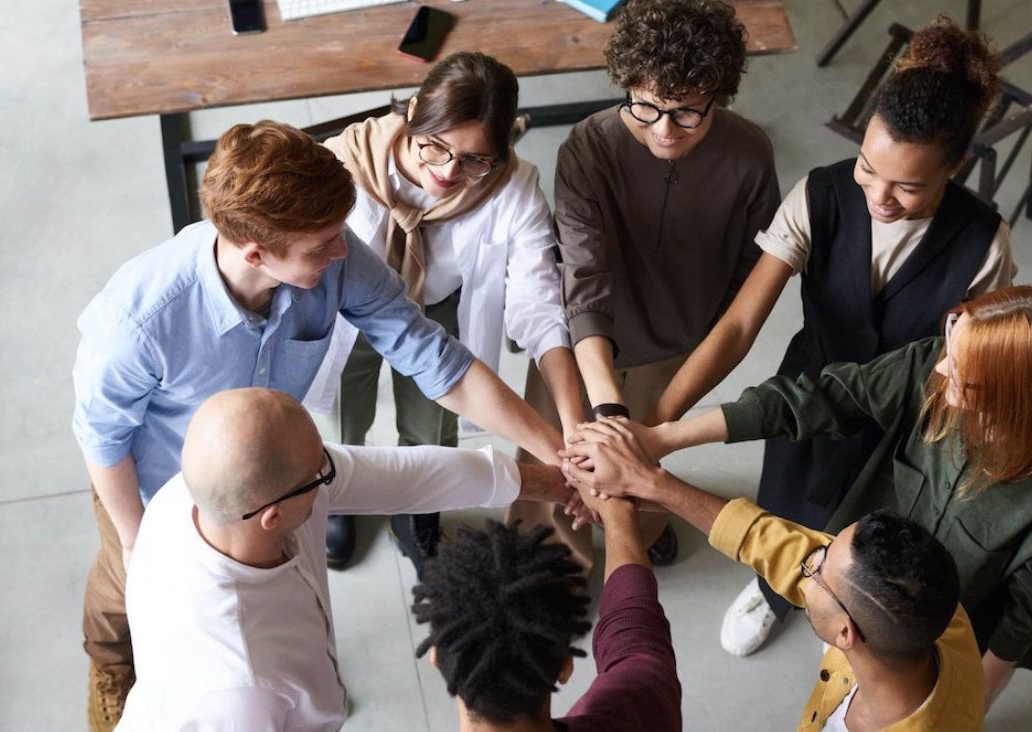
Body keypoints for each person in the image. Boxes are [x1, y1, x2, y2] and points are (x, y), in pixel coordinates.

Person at [71, 120, 564, 729]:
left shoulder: (329, 251)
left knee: (278, 615)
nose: (342, 252)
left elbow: (433, 358)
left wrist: (555, 453)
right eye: (323, 245)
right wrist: (136, 543)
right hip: (151, 485)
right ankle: (111, 670)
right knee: (123, 603)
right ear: (256, 252)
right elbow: (101, 438)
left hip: (277, 471)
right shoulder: (139, 319)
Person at [645, 14, 1017, 656]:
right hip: (807, 391)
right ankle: (773, 588)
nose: (879, 196)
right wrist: (657, 427)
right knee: (788, 499)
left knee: (876, 530)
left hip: (906, 415)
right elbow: (737, 326)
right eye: (869, 169)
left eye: (909, 185)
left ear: (954, 167)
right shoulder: (819, 195)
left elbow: (975, 363)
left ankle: (848, 605)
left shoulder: (984, 242)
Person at [568, 286, 1032, 710]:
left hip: (932, 642)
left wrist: (966, 705)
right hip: (849, 582)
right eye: (951, 344)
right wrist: (662, 439)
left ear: (1016, 397)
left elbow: (1024, 622)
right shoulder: (934, 366)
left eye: (965, 379)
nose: (942, 368)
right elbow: (819, 399)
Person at [507, 0, 781, 574]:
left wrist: (702, 337)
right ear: (626, 83)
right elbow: (583, 280)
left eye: (686, 113)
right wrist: (605, 410)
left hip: (677, 342)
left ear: (719, 96)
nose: (664, 130)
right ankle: (553, 562)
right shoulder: (587, 147)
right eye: (646, 107)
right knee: (563, 454)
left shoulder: (750, 154)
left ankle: (646, 528)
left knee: (647, 461)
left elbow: (747, 272)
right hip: (585, 342)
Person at [116, 388, 576, 730]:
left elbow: (408, 478)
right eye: (321, 470)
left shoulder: (211, 491)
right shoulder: (239, 690)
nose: (333, 471)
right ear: (272, 516)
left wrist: (559, 483)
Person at [306, 51, 585, 572]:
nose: (449, 172)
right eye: (434, 147)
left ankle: (418, 507)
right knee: (347, 410)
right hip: (350, 310)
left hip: (440, 309)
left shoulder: (512, 187)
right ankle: (342, 489)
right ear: (413, 112)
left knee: (433, 426)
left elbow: (538, 303)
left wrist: (572, 428)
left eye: (475, 159)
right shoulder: (344, 160)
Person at [560, 421, 985, 730]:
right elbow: (781, 544)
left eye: (817, 569)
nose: (807, 560)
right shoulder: (936, 616)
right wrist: (655, 486)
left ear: (845, 634)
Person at [413, 496, 681, 730]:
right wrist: (617, 513)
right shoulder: (642, 703)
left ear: (436, 659)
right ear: (565, 667)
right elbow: (635, 631)